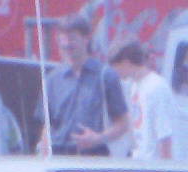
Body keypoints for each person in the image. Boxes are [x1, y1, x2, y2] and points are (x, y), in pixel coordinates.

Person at [42, 17, 126, 156]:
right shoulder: (51, 80)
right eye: (62, 40)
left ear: (86, 39)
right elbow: (47, 126)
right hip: (59, 156)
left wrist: (99, 138)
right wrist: (44, 154)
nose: (67, 44)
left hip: (93, 157)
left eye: (72, 39)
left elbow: (123, 124)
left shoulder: (105, 76)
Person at [110, 42, 174, 160]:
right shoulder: (134, 85)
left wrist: (166, 167)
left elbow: (165, 135)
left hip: (154, 163)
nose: (115, 74)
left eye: (115, 68)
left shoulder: (157, 87)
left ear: (126, 63)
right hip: (139, 161)